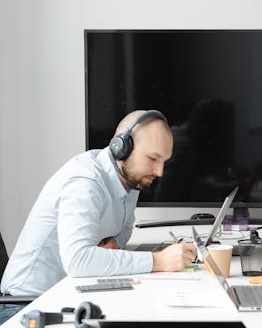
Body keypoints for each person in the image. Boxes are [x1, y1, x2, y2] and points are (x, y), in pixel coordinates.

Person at [0, 110, 195, 298]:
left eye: (164, 161)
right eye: (152, 158)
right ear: (122, 148)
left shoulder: (131, 178)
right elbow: (78, 261)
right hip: (25, 303)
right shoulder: (85, 182)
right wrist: (157, 260)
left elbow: (125, 229)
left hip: (66, 292)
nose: (160, 172)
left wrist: (114, 243)